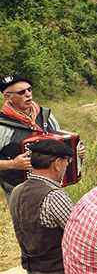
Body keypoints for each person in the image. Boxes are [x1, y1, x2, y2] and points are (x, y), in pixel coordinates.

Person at [0, 73, 85, 202]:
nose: (28, 94)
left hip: (51, 186)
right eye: (21, 92)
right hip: (19, 189)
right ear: (8, 97)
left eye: (29, 89)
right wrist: (13, 164)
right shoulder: (3, 126)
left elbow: (60, 143)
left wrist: (75, 151)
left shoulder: (45, 115)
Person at [9, 138, 75, 274]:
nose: (67, 166)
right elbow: (81, 236)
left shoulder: (17, 190)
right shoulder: (54, 195)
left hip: (32, 272)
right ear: (57, 164)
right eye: (67, 161)